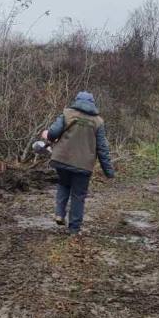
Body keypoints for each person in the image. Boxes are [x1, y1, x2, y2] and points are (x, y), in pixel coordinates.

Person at [41, 91, 115, 235]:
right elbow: (102, 148)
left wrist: (47, 134)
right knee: (78, 195)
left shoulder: (67, 113)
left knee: (63, 184)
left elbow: (53, 133)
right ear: (93, 103)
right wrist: (109, 171)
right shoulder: (98, 122)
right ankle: (74, 229)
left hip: (62, 159)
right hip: (83, 165)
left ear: (76, 100)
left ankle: (59, 214)